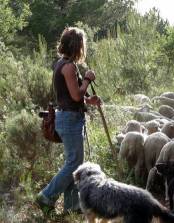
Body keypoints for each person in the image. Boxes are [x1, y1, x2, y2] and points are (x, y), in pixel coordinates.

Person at [36, 27, 101, 215]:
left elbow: (72, 96)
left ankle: (72, 205)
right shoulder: (69, 66)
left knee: (76, 163)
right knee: (74, 163)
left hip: (67, 117)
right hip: (70, 119)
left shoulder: (61, 64)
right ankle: (46, 196)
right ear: (78, 46)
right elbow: (74, 95)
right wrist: (87, 79)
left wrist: (89, 100)